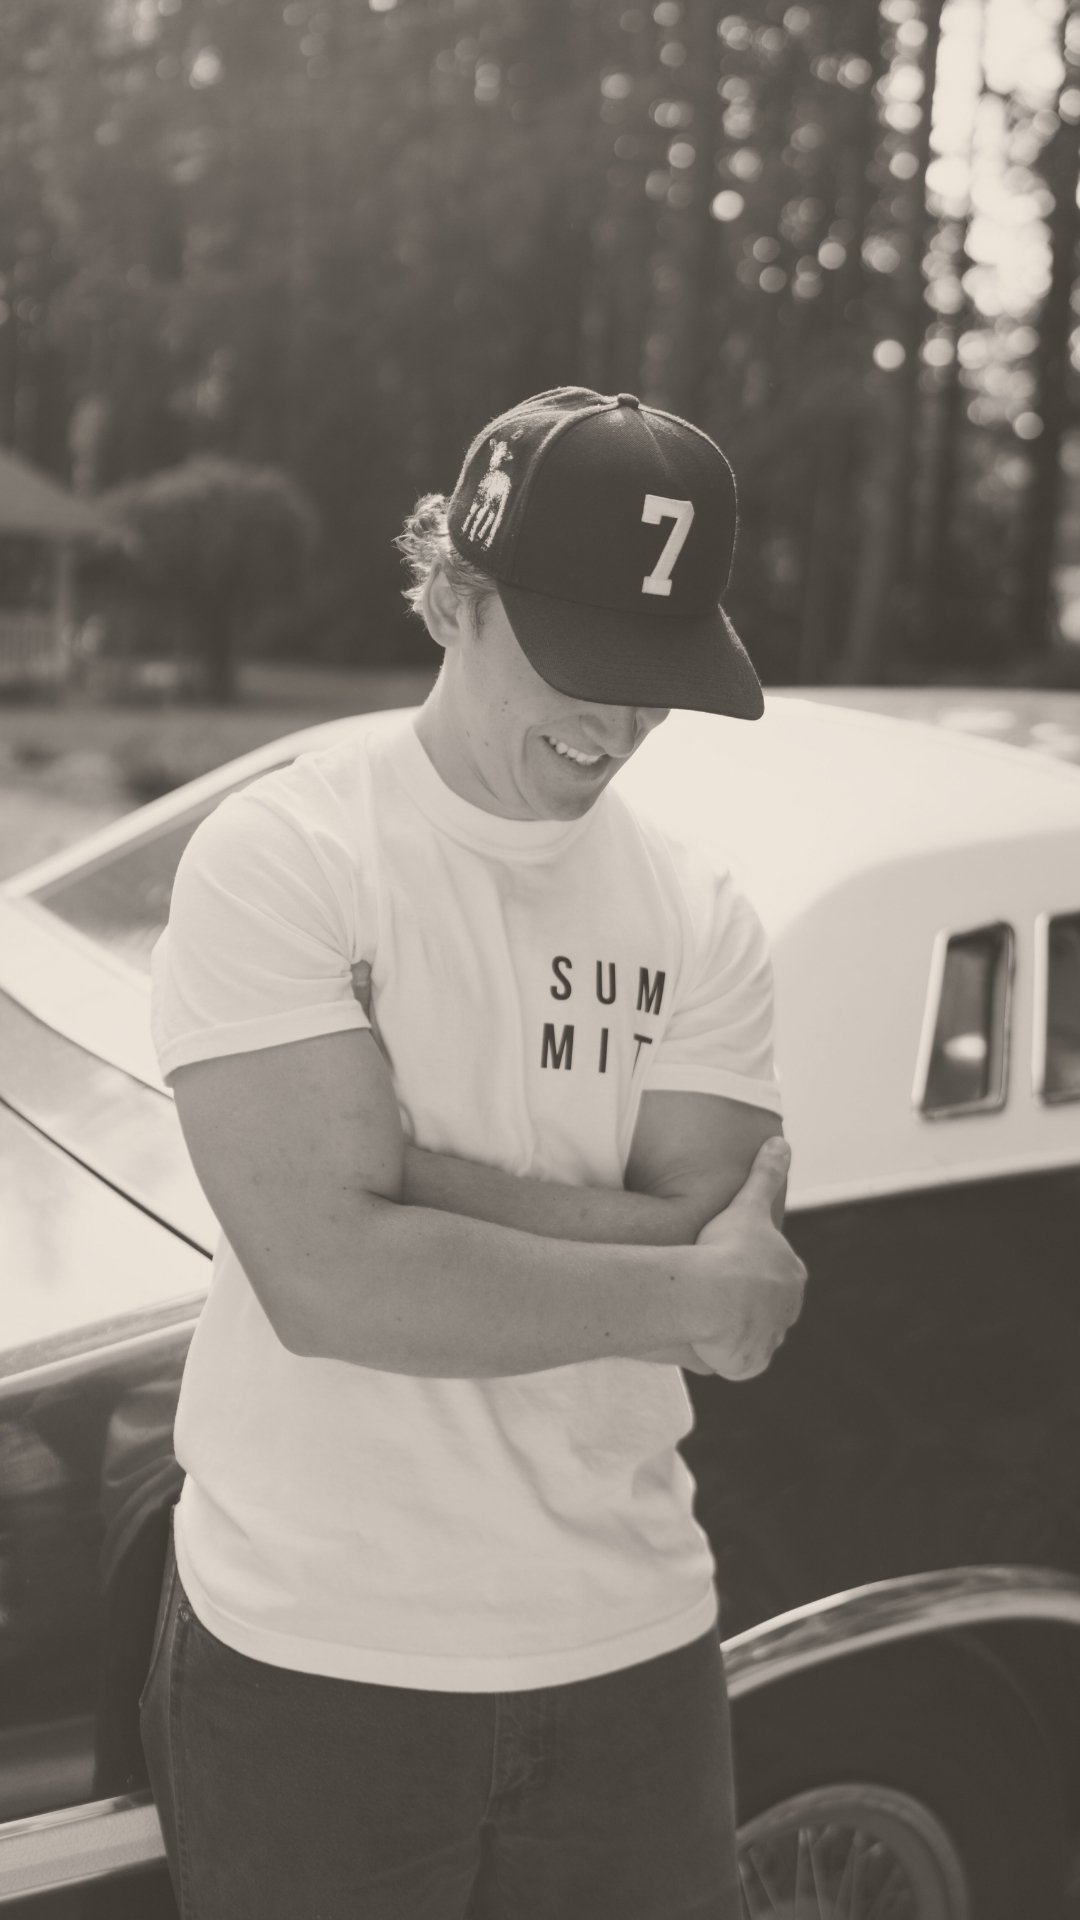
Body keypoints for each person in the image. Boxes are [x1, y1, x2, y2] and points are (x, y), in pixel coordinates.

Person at [140, 385, 807, 1920]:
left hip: (632, 1641)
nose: (618, 724)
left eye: (659, 677)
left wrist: (400, 1183)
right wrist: (674, 1278)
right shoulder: (285, 854)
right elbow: (332, 1289)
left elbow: (739, 1261)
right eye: (584, 662)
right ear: (458, 592)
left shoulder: (703, 910)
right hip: (317, 1656)